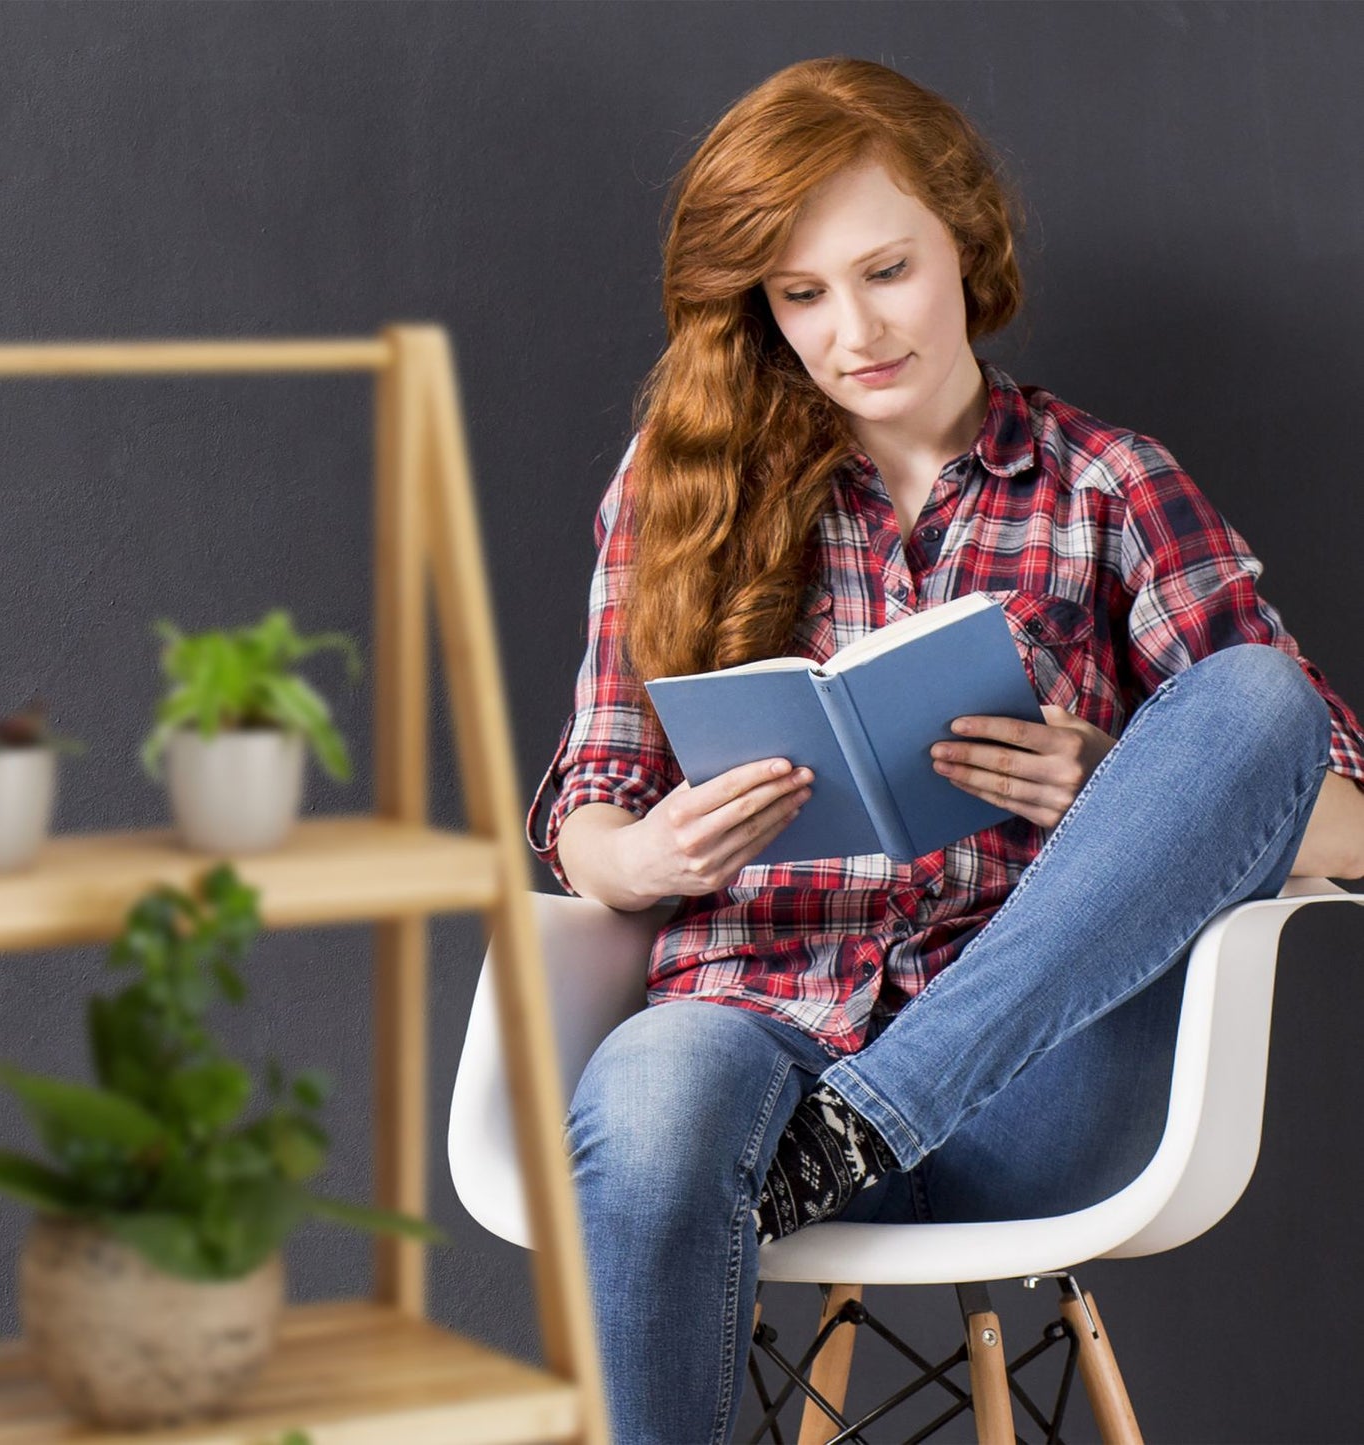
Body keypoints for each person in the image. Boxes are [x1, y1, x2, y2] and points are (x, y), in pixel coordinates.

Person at [525, 56, 1364, 1445]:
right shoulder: (683, 485)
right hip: (753, 1046)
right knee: (654, 1093)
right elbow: (589, 803)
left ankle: (877, 1112)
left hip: (1029, 1091)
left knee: (1253, 698)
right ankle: (842, 1128)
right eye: (801, 294)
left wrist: (1111, 782)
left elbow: (1335, 805)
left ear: (964, 244)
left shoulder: (1107, 485)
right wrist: (647, 852)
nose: (852, 329)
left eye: (886, 271)